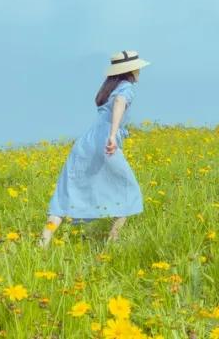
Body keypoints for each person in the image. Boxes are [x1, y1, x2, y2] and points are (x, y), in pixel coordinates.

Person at [40, 50, 150, 248]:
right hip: (105, 142)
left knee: (66, 192)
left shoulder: (108, 88)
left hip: (85, 143)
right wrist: (112, 135)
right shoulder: (126, 88)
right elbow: (120, 103)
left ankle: (42, 244)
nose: (139, 72)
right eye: (138, 68)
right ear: (131, 70)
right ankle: (112, 242)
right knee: (128, 192)